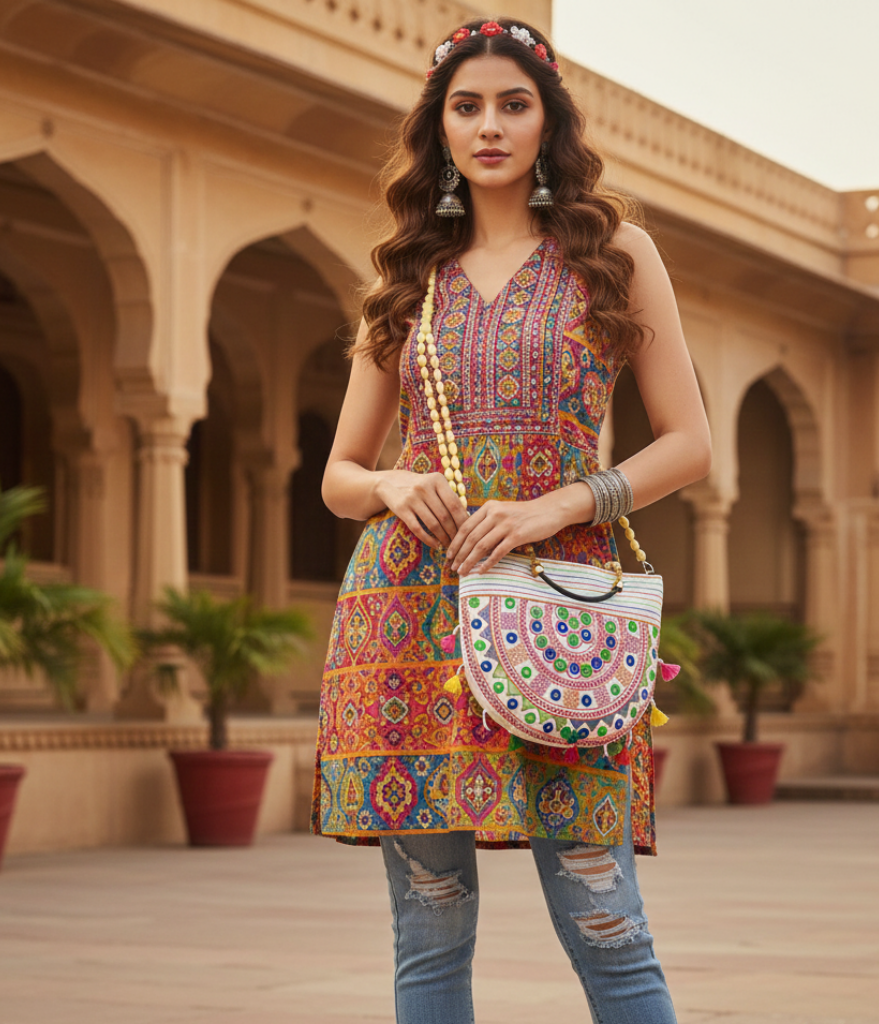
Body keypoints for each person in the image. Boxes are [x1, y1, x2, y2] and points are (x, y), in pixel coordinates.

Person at [311, 16, 710, 1024]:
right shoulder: (402, 280)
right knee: (428, 938)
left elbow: (689, 443)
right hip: (406, 619)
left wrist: (558, 505)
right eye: (466, 105)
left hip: (560, 616)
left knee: (608, 926)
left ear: (550, 120)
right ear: (439, 126)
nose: (489, 125)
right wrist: (394, 487)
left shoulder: (615, 253)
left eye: (513, 103)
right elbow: (340, 474)